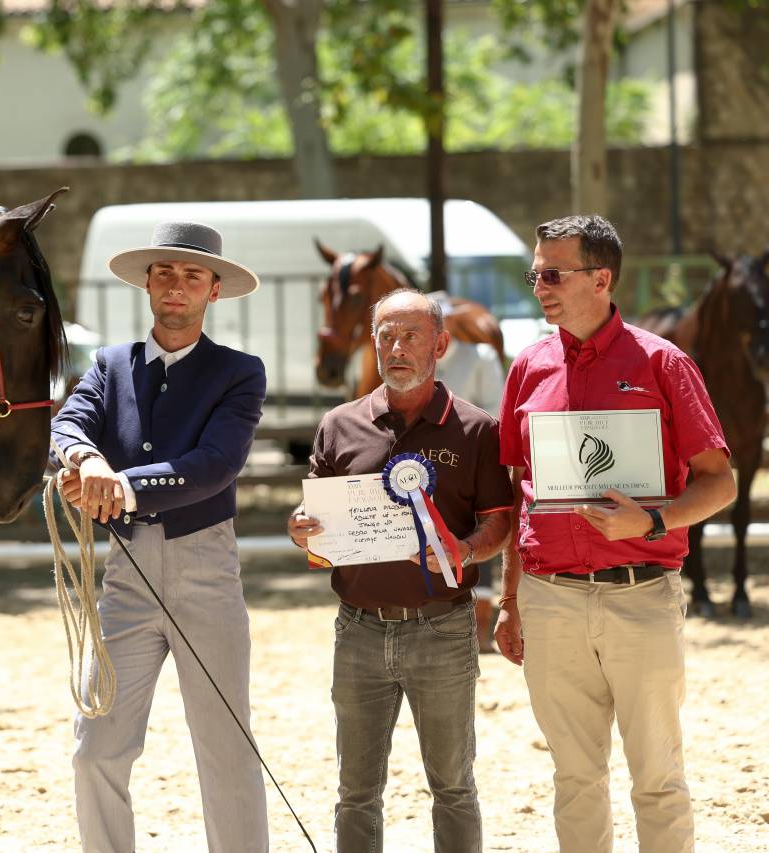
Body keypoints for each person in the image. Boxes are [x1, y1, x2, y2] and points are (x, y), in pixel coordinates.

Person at [494, 215, 735, 853]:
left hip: (642, 596)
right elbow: (518, 493)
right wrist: (510, 599)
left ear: (601, 279)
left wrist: (651, 520)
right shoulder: (527, 368)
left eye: (553, 274)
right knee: (574, 779)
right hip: (549, 601)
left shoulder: (663, 363)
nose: (539, 287)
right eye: (535, 275)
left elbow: (720, 483)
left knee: (658, 779)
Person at [51, 221, 269, 852]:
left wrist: (119, 485)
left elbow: (216, 464)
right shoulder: (108, 364)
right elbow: (68, 423)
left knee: (225, 746)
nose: (177, 285)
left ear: (214, 291)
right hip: (125, 574)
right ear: (147, 283)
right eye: (165, 273)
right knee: (95, 748)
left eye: (192, 275)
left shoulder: (239, 372)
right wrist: (86, 460)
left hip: (206, 567)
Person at [287, 288, 513, 853]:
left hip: (444, 628)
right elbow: (317, 523)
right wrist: (301, 530)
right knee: (355, 793)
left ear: (441, 345)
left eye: (411, 336)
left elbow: (499, 523)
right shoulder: (339, 425)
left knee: (453, 786)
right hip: (358, 628)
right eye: (386, 336)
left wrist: (465, 551)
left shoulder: (477, 429)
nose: (396, 348)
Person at [429, 306, 507, 652]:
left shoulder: (481, 357)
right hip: (429, 465)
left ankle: (482, 624)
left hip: (474, 457)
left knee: (481, 533)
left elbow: (494, 407)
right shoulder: (422, 360)